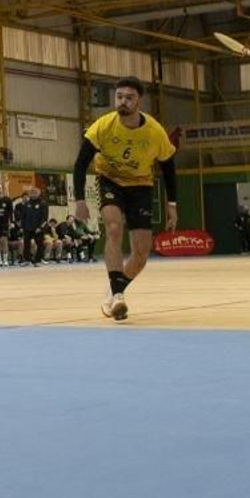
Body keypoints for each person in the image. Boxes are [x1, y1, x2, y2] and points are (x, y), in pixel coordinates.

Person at [74, 76, 178, 321]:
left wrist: (172, 204)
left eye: (129, 98)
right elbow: (80, 165)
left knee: (141, 253)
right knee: (113, 228)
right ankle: (119, 296)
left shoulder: (154, 132)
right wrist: (80, 200)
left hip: (141, 185)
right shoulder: (103, 125)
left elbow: (169, 169)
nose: (123, 102)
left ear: (139, 101)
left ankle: (113, 290)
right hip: (109, 180)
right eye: (119, 97)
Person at [17, 185, 48, 265]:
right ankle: (27, 260)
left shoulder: (43, 203)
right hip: (28, 228)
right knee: (26, 244)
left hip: (38, 228)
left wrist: (40, 227)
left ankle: (38, 260)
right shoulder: (27, 204)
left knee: (40, 244)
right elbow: (23, 216)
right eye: (32, 192)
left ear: (39, 193)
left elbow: (45, 218)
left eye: (35, 192)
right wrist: (22, 227)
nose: (33, 194)